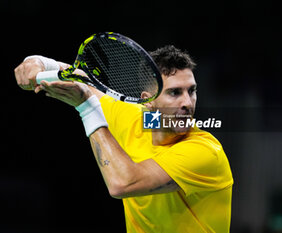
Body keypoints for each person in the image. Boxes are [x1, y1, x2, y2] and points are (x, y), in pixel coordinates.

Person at [14, 45, 233, 233]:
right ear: (148, 102)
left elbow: (122, 184)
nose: (188, 102)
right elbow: (83, 81)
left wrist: (87, 108)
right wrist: (38, 63)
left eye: (192, 91)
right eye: (175, 93)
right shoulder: (137, 120)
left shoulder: (205, 153)